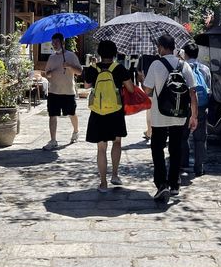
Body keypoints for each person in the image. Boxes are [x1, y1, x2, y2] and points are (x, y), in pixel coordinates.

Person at [142, 34, 198, 202]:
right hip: (180, 115)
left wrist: (143, 80)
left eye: (158, 47)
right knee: (176, 149)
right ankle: (174, 184)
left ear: (162, 47)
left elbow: (147, 91)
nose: (157, 50)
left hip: (159, 115)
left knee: (157, 149)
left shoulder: (156, 65)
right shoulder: (184, 65)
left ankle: (161, 184)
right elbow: (193, 91)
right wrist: (194, 115)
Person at [84, 40, 135, 192]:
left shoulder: (93, 68)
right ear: (114, 53)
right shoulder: (119, 68)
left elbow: (86, 86)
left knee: (101, 148)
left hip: (98, 111)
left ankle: (103, 183)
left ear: (100, 52)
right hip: (115, 111)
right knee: (117, 142)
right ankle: (115, 175)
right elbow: (131, 89)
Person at [42, 33, 83, 150]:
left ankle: (75, 131)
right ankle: (53, 140)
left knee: (71, 113)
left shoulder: (71, 56)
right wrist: (49, 73)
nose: (54, 45)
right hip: (54, 91)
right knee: (52, 115)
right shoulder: (51, 57)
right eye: (53, 43)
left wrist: (69, 66)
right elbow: (47, 73)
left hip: (68, 91)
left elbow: (79, 71)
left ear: (62, 43)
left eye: (56, 42)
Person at [180, 42, 211, 177]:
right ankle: (199, 167)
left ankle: (184, 163)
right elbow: (209, 89)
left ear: (185, 54)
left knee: (183, 137)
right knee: (200, 139)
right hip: (201, 106)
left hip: (185, 106)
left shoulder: (182, 68)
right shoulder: (205, 69)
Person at [137, 53, 158, 142]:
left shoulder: (143, 57)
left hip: (148, 85)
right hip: (159, 85)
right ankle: (155, 132)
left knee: (149, 109)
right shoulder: (159, 57)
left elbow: (138, 72)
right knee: (157, 109)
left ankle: (149, 132)